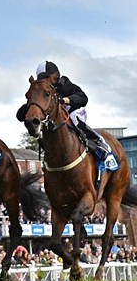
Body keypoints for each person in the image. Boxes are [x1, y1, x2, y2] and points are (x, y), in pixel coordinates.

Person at [17, 61, 117, 189]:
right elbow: (21, 114)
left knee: (74, 119)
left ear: (54, 76)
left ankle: (98, 143)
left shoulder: (64, 83)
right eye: (42, 78)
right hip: (54, 120)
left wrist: (64, 100)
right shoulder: (40, 89)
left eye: (48, 77)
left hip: (72, 111)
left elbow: (83, 98)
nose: (46, 81)